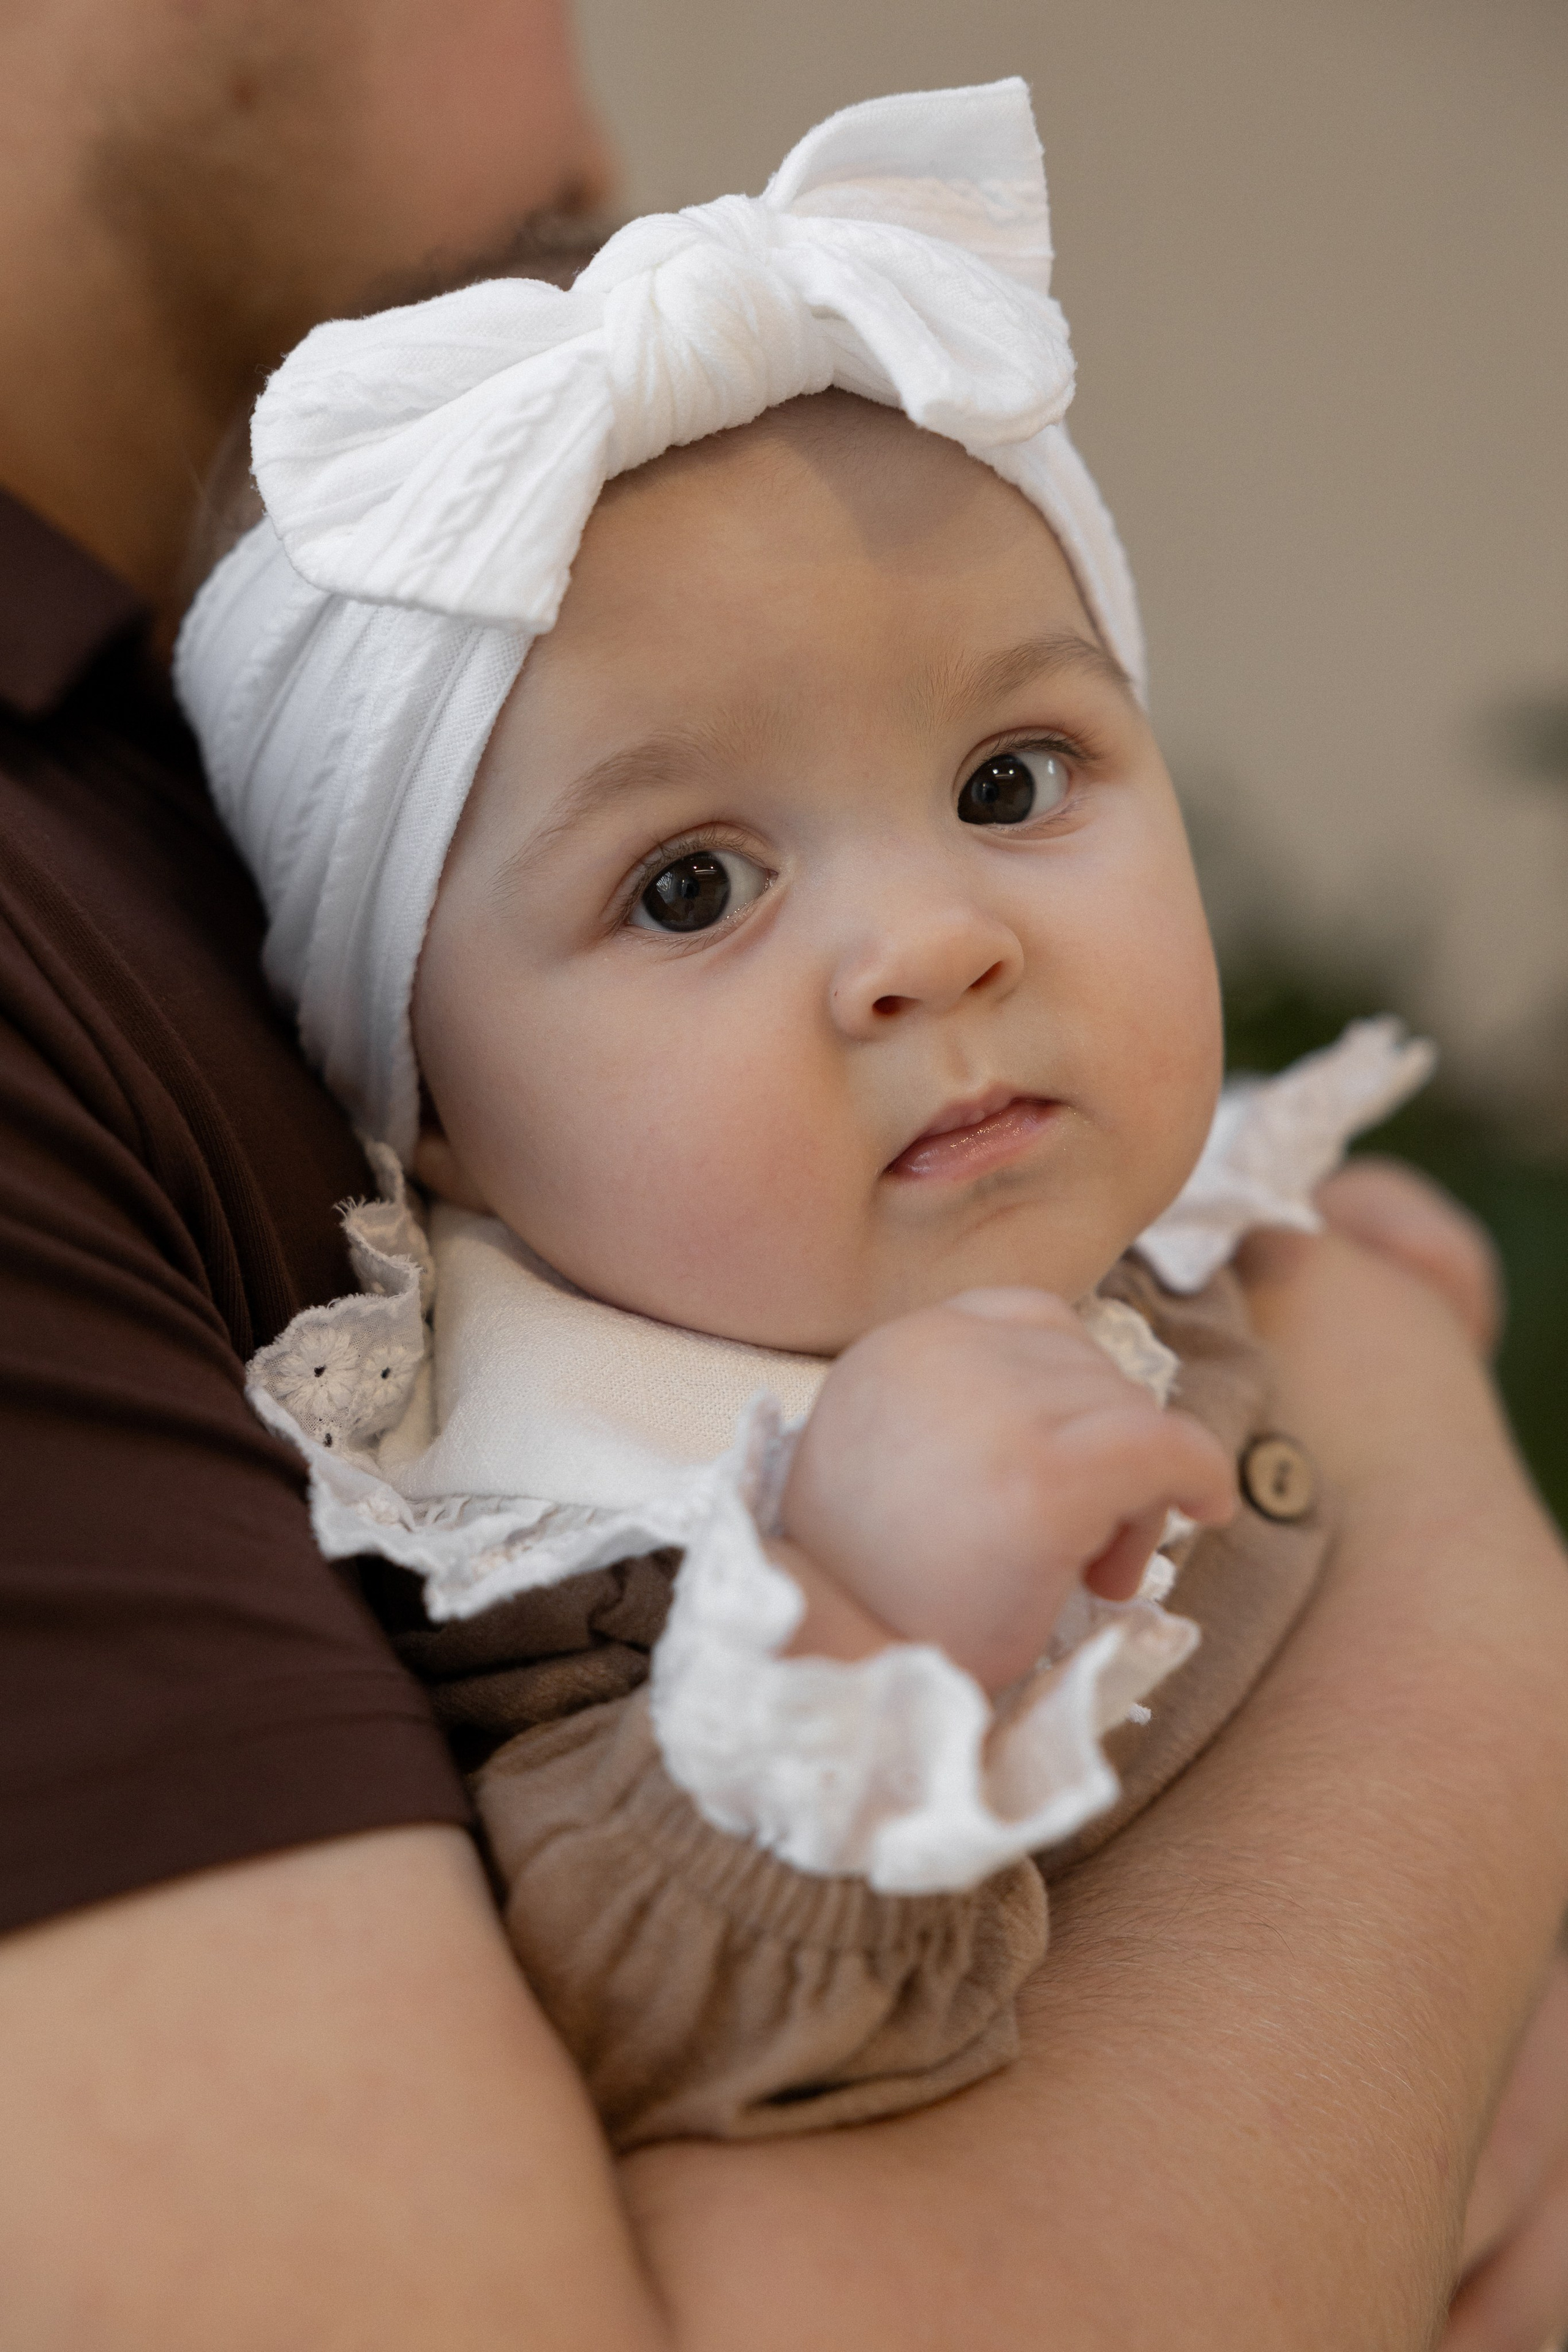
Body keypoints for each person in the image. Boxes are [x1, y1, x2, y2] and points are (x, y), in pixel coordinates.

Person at [2, 6, 1566, 2344]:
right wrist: (857, 1638)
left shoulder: (1005, 1192)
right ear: (432, 1109)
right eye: (692, 889)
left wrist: (1330, 1284)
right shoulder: (611, 1541)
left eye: (1018, 781)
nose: (936, 938)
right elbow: (636, 2014)